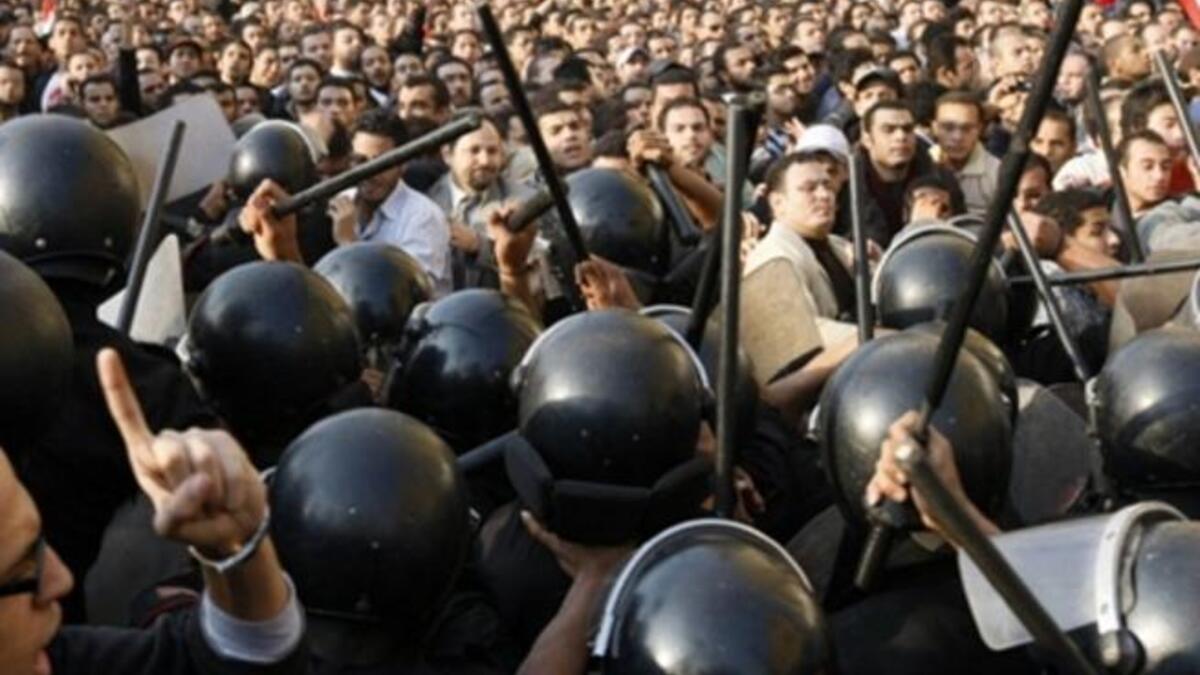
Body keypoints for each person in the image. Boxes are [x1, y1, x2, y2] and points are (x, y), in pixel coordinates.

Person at [0, 349, 306, 675]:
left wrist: (239, 552)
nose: (60, 581)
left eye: (42, 547)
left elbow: (225, 662)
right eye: (20, 576)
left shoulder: (52, 658)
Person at [330, 108, 453, 295]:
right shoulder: (341, 202)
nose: (369, 173)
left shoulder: (423, 217)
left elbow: (408, 294)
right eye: (360, 161)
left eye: (382, 163)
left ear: (403, 164)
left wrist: (349, 245)